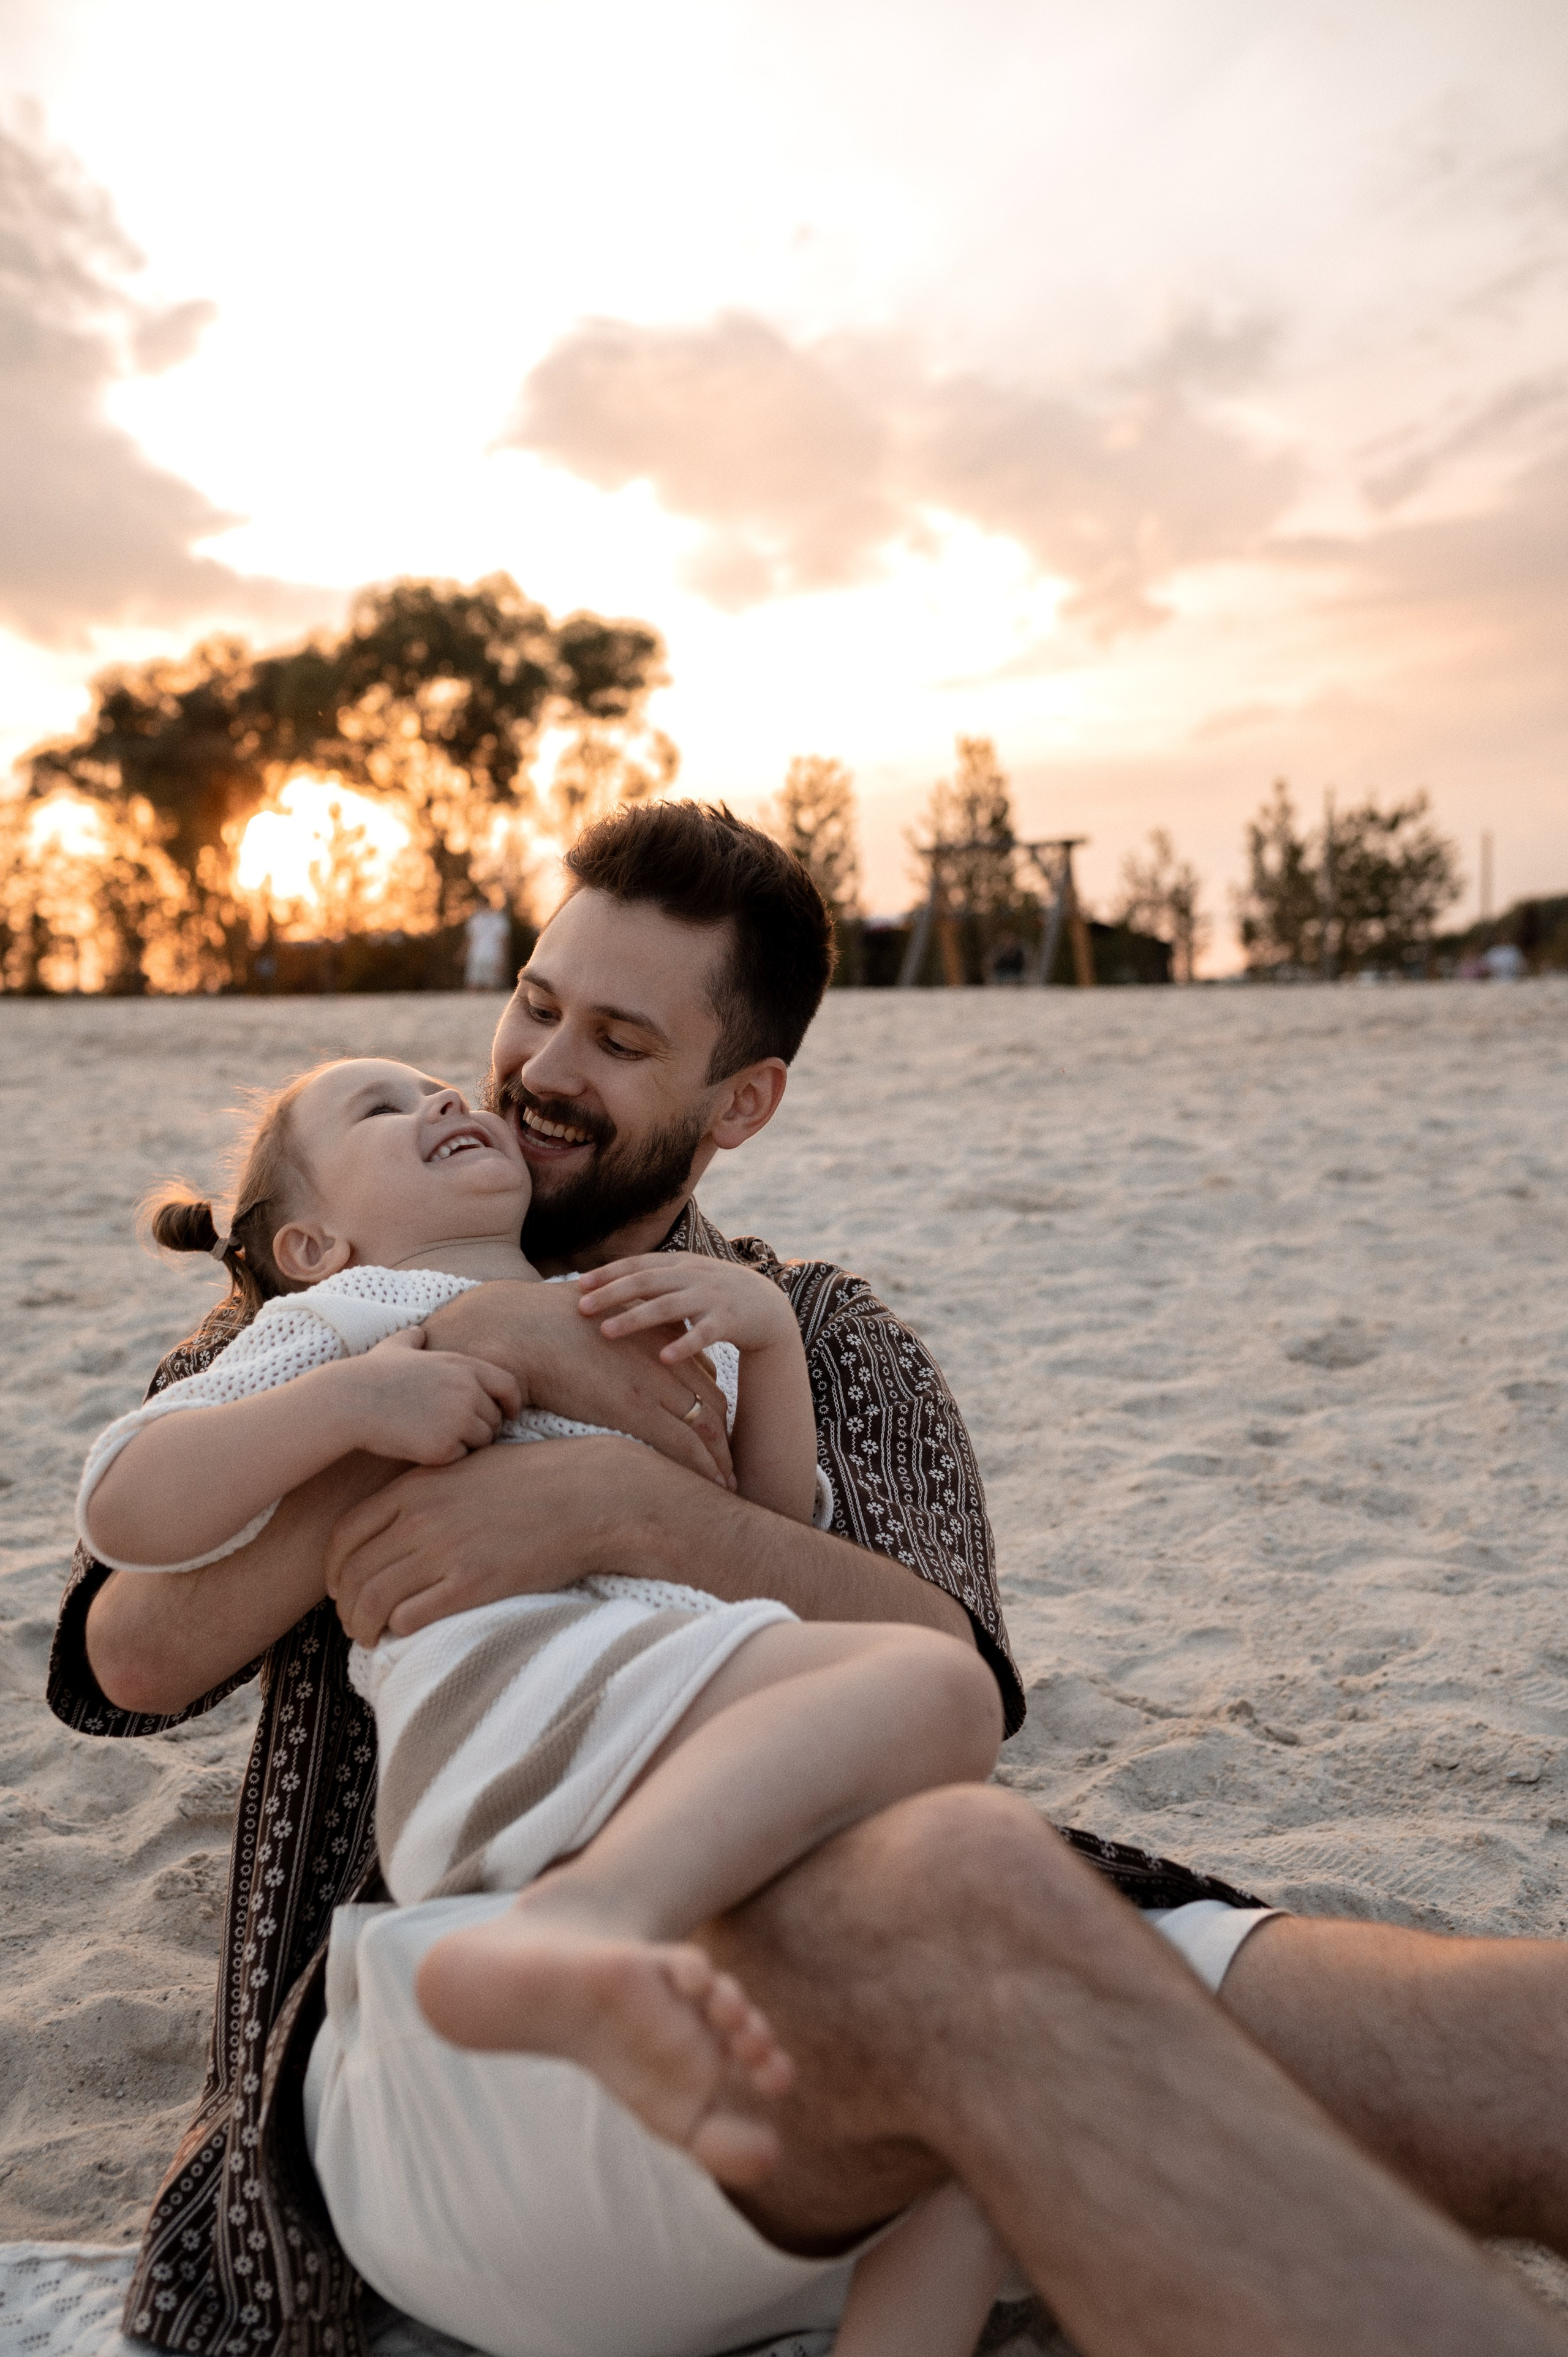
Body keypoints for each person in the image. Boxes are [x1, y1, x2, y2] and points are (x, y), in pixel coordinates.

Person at [53, 803, 1568, 2357]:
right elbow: (125, 1657)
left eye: (621, 1040)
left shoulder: (816, 1333)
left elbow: (948, 1668)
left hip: (896, 1932)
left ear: (742, 1099)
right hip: (445, 2020)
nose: (540, 1071)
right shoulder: (334, 1275)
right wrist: (459, 1364)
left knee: (1496, 2044)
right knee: (966, 1896)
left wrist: (624, 1507)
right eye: (536, 1006)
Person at [75, 1048, 1014, 2351]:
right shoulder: (350, 1314)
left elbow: (769, 1537)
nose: (449, 1100)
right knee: (933, 1692)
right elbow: (127, 1505)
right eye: (385, 1106)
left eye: (438, 1088)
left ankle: (610, 1942)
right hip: (522, 1717)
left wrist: (766, 1340)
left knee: (974, 2112)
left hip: (671, 1725)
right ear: (309, 1240)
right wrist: (361, 1396)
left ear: (739, 1091)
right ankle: (575, 1928)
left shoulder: (629, 1302)